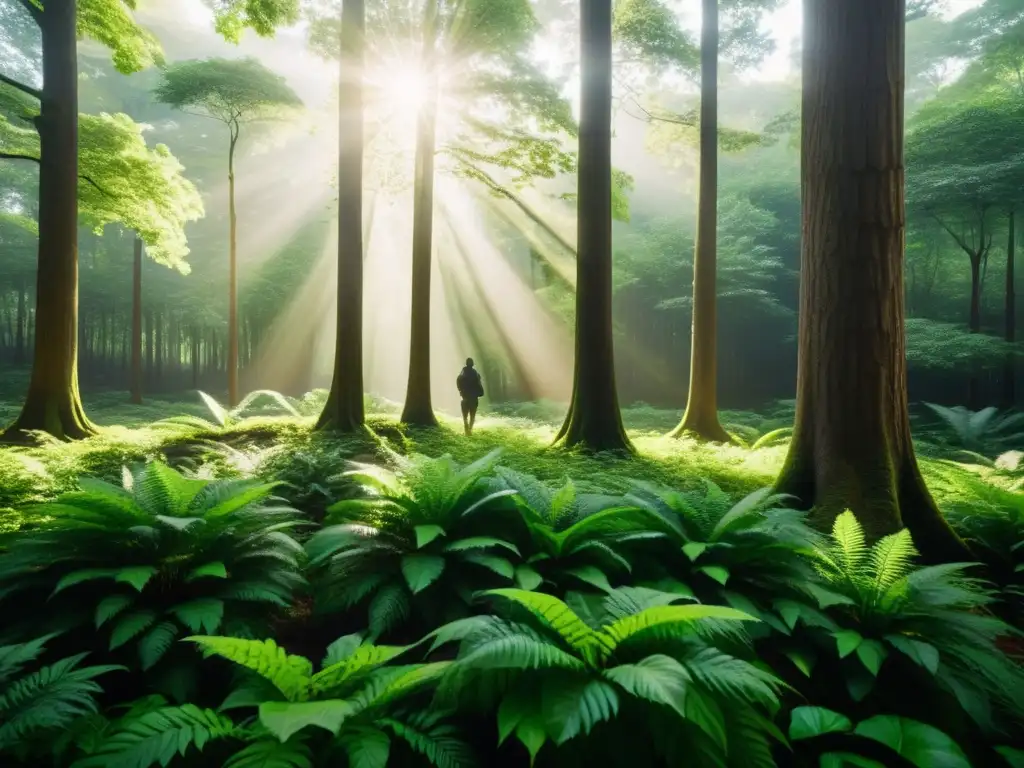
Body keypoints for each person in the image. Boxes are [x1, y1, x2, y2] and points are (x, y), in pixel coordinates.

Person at [456, 357, 484, 435]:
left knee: (465, 415)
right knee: (472, 415)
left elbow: (458, 381)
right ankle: (469, 430)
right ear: (472, 364)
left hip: (465, 397)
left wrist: (461, 391)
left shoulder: (463, 372)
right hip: (473, 397)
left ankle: (467, 428)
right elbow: (479, 384)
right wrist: (480, 392)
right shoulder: (475, 373)